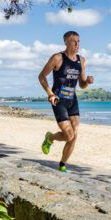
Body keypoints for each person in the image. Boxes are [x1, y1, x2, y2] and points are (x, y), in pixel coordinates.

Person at [38, 31, 94, 172]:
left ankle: (62, 165)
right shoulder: (57, 58)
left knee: (74, 135)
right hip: (59, 100)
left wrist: (87, 81)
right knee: (69, 135)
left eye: (78, 41)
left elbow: (81, 84)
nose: (77, 44)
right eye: (74, 41)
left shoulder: (81, 60)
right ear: (66, 42)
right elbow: (41, 76)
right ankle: (50, 138)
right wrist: (50, 94)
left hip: (72, 100)